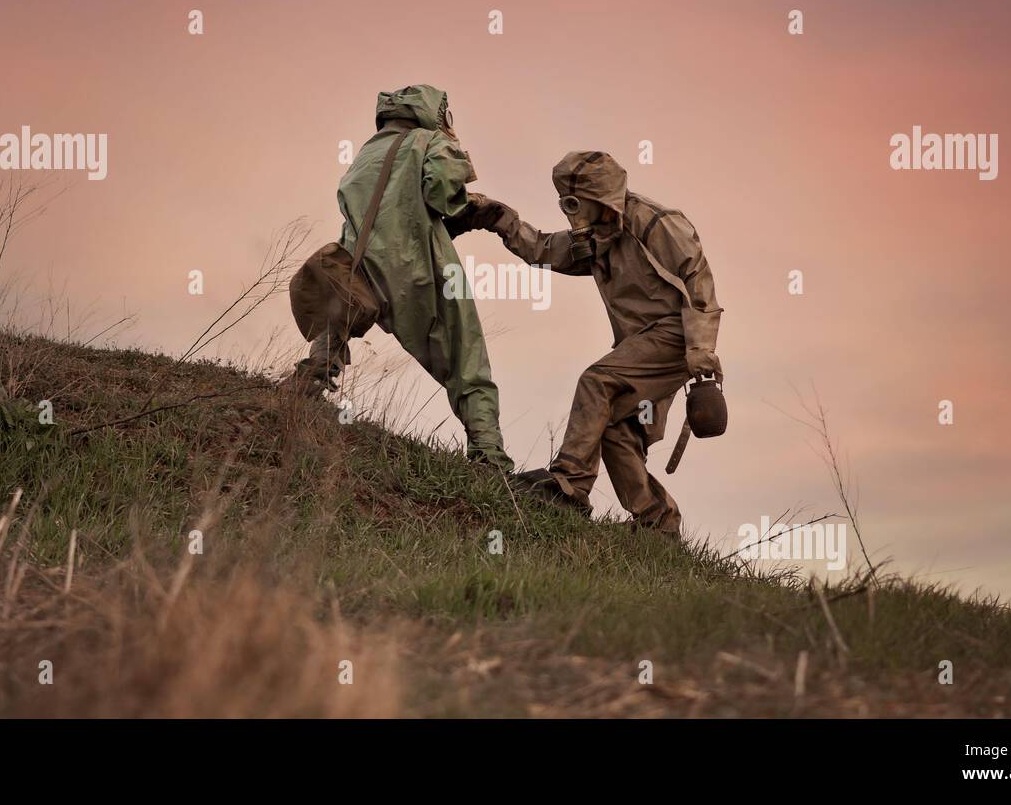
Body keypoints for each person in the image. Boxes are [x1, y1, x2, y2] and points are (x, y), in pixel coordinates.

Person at [477, 151, 723, 532]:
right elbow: (543, 250)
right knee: (615, 428)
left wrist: (701, 350)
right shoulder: (596, 236)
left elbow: (698, 280)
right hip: (643, 344)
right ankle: (659, 526)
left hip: (675, 336)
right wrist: (500, 220)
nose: (570, 211)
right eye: (565, 202)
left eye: (576, 202)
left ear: (602, 196)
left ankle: (568, 483)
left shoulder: (657, 223)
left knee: (597, 382)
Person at [293, 85, 513, 471]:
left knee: (338, 322)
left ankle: (308, 382)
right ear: (435, 112)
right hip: (420, 268)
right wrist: (472, 199)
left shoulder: (367, 150)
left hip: (360, 262)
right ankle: (488, 453)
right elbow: (443, 196)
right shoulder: (431, 142)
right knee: (466, 358)